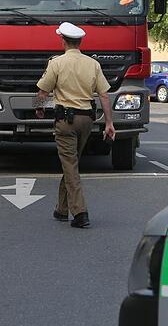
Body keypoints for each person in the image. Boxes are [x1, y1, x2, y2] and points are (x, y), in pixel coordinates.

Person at [35, 22, 116, 228]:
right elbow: (104, 95)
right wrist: (109, 123)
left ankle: (80, 213)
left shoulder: (56, 63)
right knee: (71, 163)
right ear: (80, 42)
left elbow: (43, 92)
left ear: (62, 40)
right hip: (87, 120)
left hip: (65, 121)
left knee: (70, 165)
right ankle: (61, 209)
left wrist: (39, 108)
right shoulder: (93, 64)